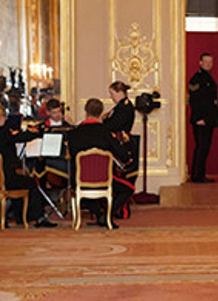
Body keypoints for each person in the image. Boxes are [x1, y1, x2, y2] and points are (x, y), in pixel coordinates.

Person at [67, 98, 132, 228]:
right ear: (101, 112)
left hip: (79, 180)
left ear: (85, 112)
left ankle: (98, 214)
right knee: (128, 189)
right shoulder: (106, 133)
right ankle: (106, 216)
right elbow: (123, 156)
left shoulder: (73, 134)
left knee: (83, 184)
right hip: (103, 179)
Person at [0, 106, 58, 228]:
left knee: (18, 181)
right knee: (31, 183)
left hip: (5, 176)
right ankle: (36, 218)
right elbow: (22, 137)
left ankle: (20, 217)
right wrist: (37, 132)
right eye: (4, 116)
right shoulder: (5, 132)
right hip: (5, 178)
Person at [102, 81, 137, 219]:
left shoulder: (125, 107)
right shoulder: (120, 106)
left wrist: (103, 121)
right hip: (117, 143)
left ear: (119, 92)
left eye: (112, 94)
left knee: (120, 178)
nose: (111, 97)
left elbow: (114, 125)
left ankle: (120, 210)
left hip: (120, 145)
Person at [188, 52, 218, 183]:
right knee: (201, 147)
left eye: (210, 62)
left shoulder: (208, 77)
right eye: (206, 62)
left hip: (208, 118)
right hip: (201, 119)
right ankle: (196, 175)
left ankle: (200, 174)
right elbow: (195, 100)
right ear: (200, 63)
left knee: (205, 147)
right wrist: (199, 118)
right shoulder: (197, 78)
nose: (208, 64)